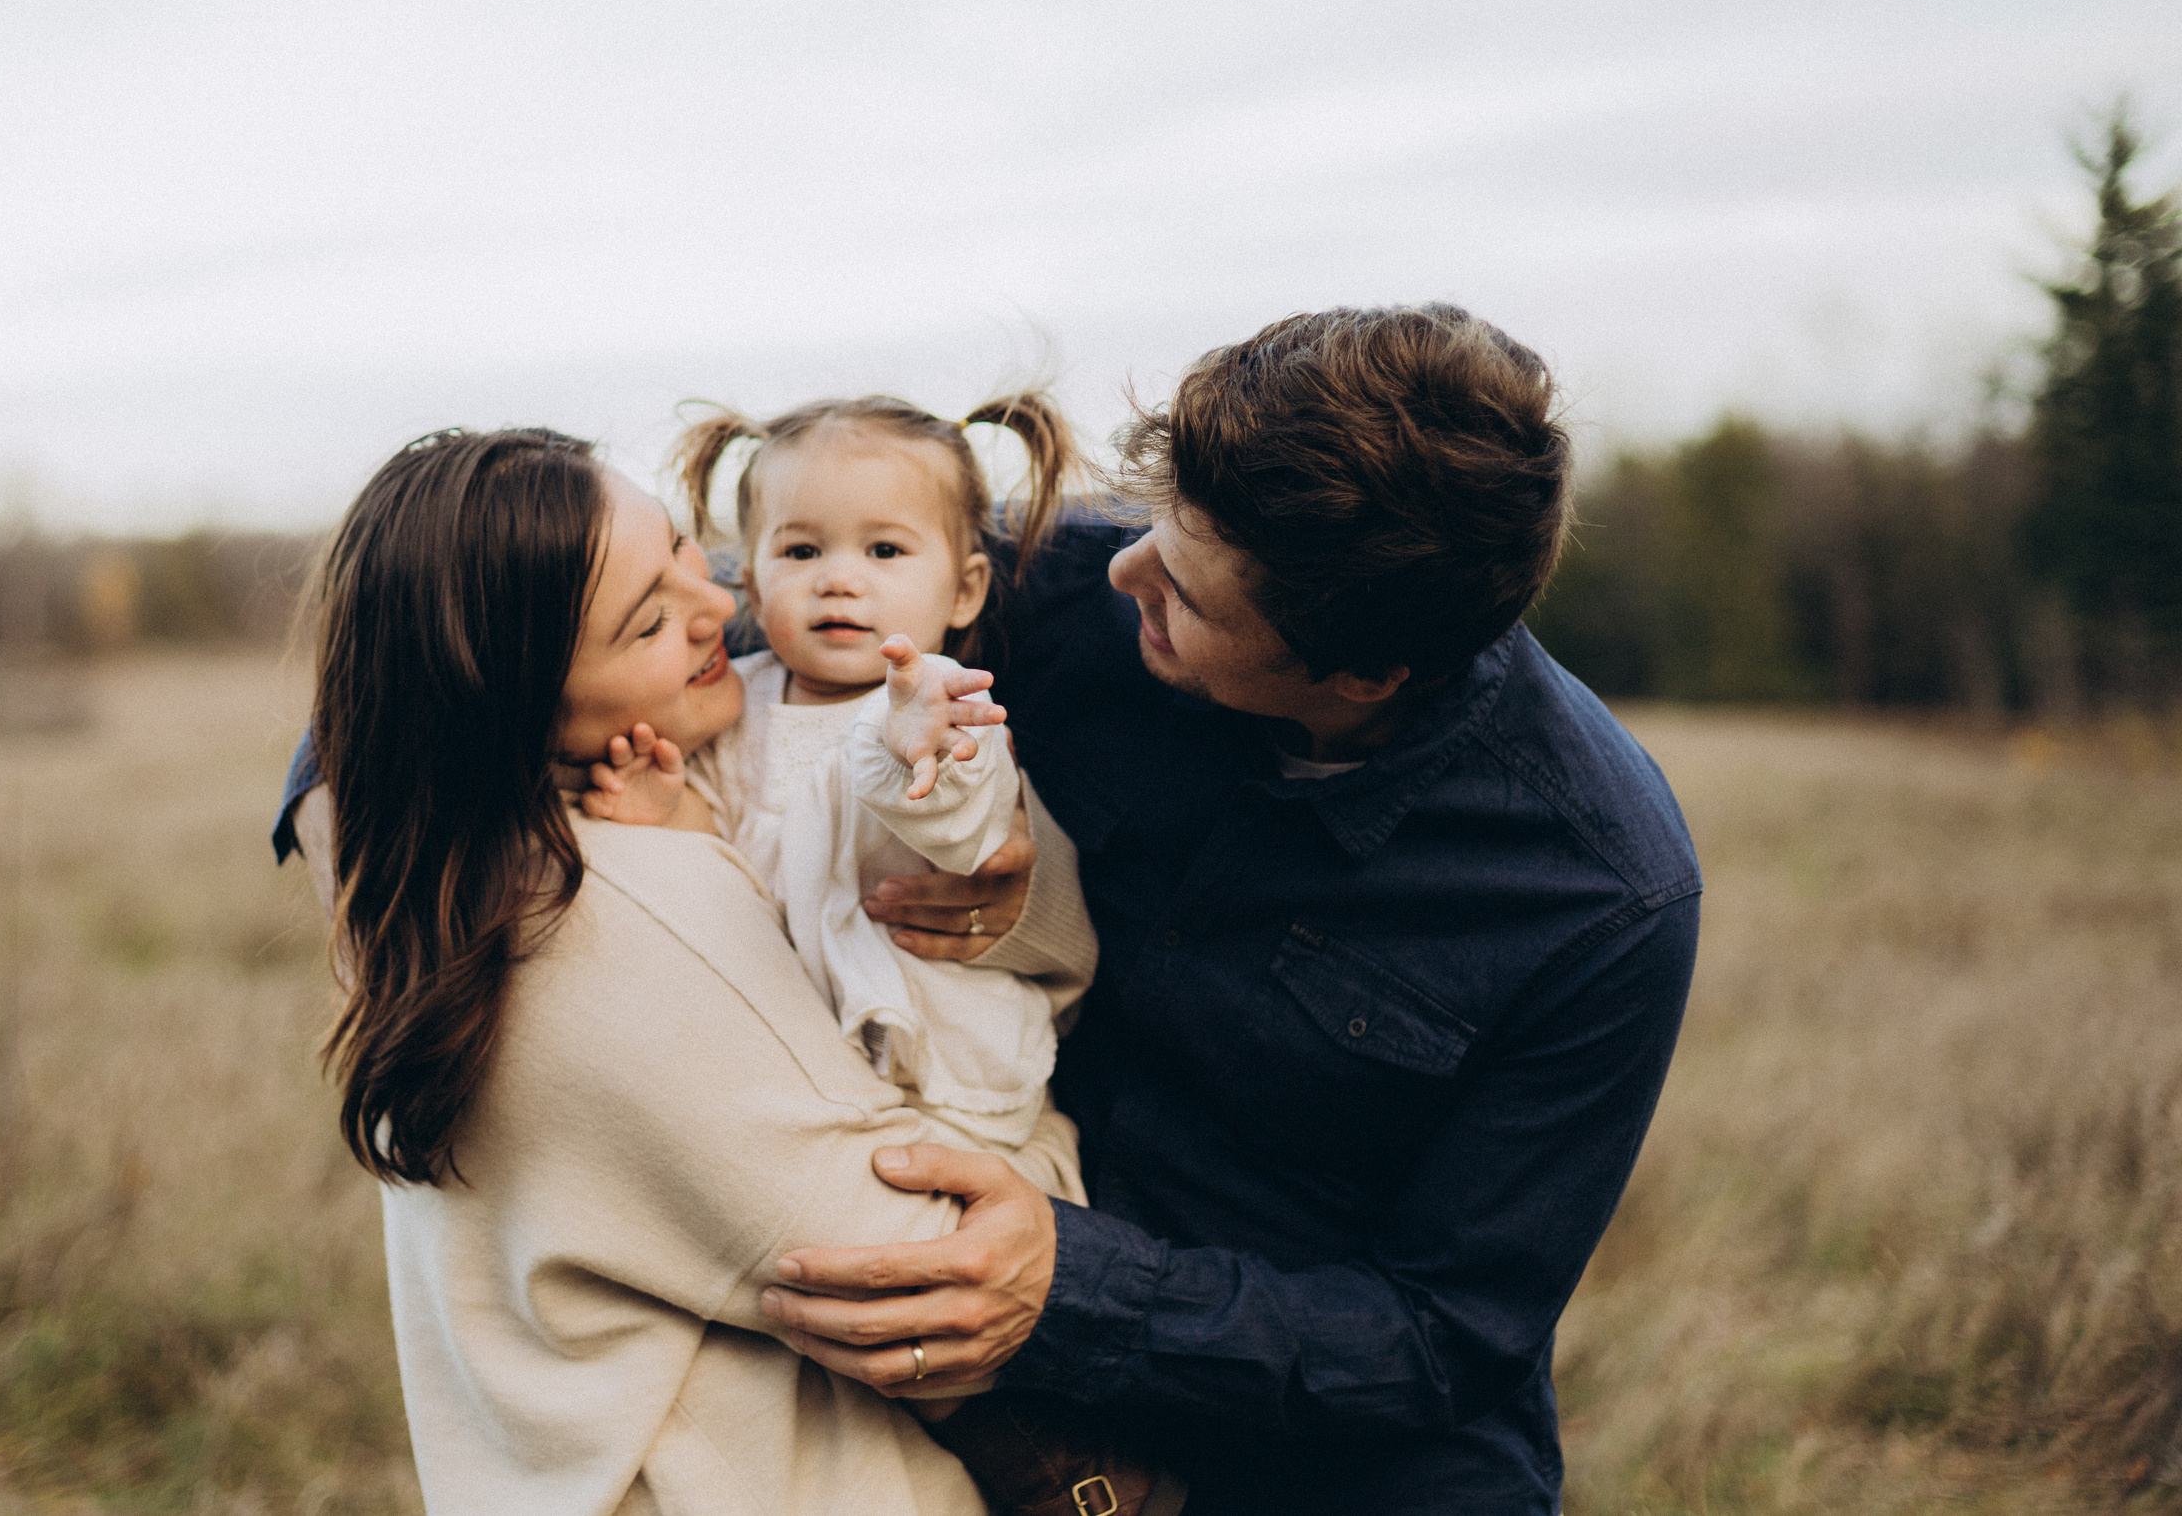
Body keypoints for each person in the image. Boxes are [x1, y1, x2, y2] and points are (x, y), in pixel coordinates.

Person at [753, 306, 1703, 1514]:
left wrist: (1071, 1286)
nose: (1121, 572)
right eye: (1156, 525)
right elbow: (745, 614)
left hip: (1338, 1464)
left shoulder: (1599, 892)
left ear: (1361, 676)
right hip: (1009, 1405)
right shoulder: (1046, 592)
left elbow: (1444, 1336)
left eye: (1186, 597)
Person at [285, 426, 1104, 1515]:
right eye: (650, 619)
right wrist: (1053, 1144)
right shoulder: (612, 917)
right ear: (517, 705)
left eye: (685, 552)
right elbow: (935, 1269)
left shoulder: (432, 882)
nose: (721, 605)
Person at [581, 394, 1087, 1175]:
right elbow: (726, 878)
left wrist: (925, 746)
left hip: (943, 1066)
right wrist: (675, 812)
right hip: (792, 1062)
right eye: (802, 552)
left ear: (964, 589)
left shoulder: (942, 703)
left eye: (884, 551)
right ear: (748, 577)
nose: (840, 581)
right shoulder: (731, 705)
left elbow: (968, 825)